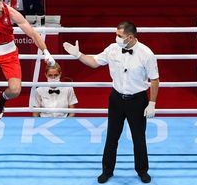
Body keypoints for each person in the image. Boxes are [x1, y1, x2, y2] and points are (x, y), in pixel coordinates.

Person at [63, 21, 159, 184]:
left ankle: (142, 170)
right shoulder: (112, 49)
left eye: (119, 35)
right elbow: (94, 62)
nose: (116, 38)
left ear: (130, 37)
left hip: (137, 100)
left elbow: (155, 79)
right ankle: (107, 170)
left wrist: (152, 102)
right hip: (116, 99)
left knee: (138, 138)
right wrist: (78, 55)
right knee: (112, 137)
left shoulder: (146, 54)